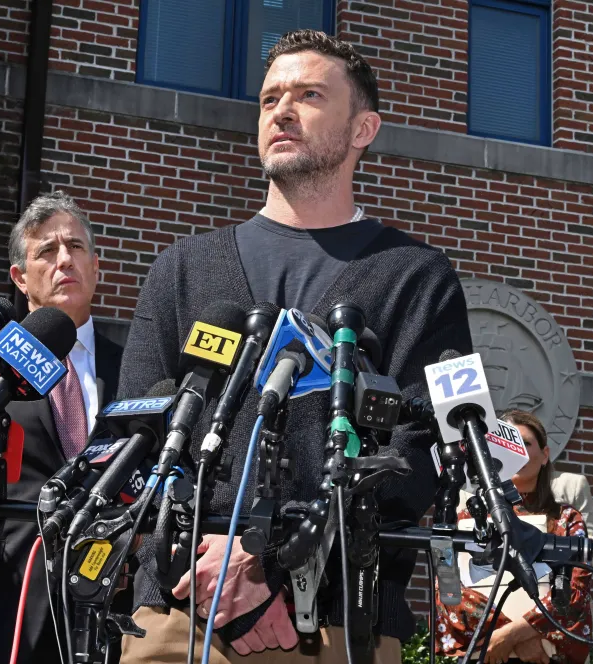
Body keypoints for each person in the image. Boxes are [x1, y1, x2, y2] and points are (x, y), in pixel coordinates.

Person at [117, 29, 473, 664]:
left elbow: (423, 456)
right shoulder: (182, 269)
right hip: (176, 612)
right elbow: (134, 436)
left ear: (363, 129)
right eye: (269, 98)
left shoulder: (417, 277)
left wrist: (270, 563)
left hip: (334, 620)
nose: (281, 110)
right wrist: (202, 571)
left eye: (309, 95)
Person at [0, 191, 125, 663]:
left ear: (97, 266)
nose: (65, 261)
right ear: (19, 277)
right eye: (47, 251)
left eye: (76, 248)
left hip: (107, 616)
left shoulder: (136, 366)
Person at [436, 410, 592, 664]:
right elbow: (446, 586)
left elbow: (575, 592)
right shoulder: (466, 517)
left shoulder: (566, 518)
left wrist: (512, 634)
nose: (516, 451)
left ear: (545, 455)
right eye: (507, 444)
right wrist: (515, 637)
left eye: (526, 443)